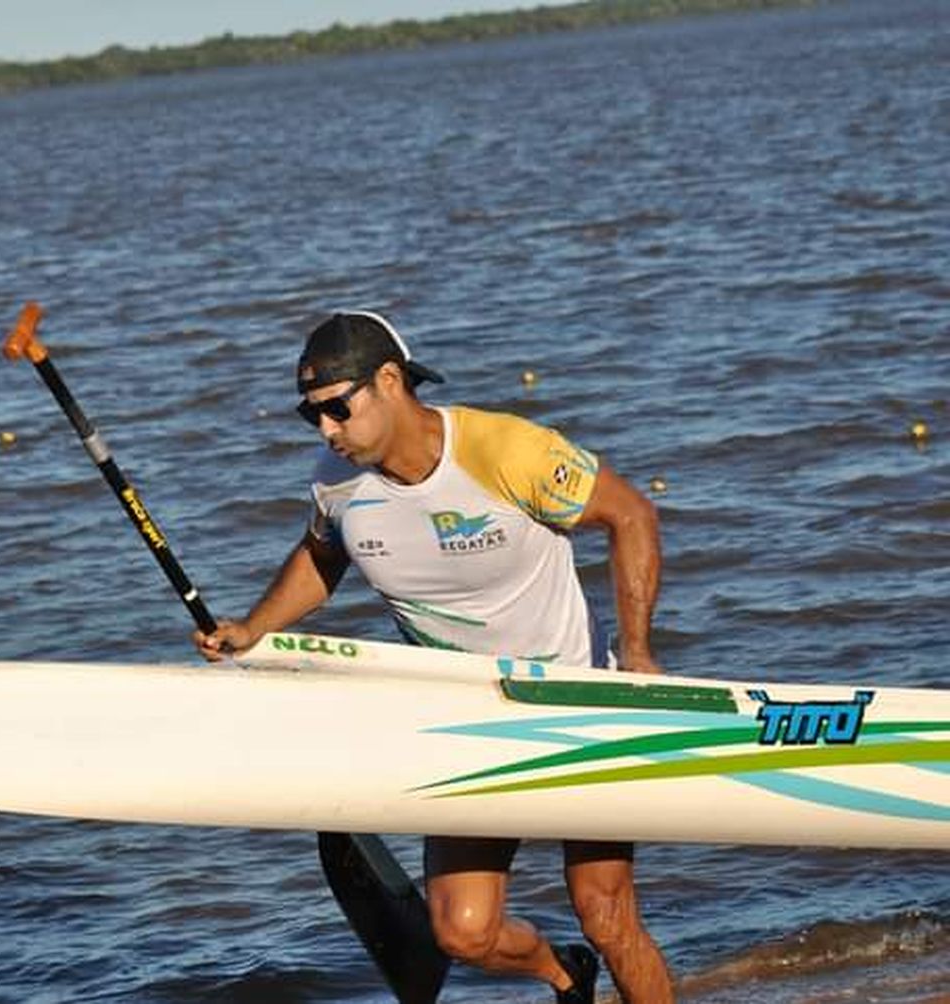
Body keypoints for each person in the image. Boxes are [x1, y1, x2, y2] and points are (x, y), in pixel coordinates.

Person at [194, 311, 674, 1004]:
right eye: (312, 416)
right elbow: (324, 556)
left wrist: (637, 654)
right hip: (466, 717)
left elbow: (631, 515)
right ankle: (564, 976)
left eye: (336, 409)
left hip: (577, 701)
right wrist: (253, 628)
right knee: (461, 933)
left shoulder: (505, 450)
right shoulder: (337, 481)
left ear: (389, 382)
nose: (326, 430)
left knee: (604, 910)